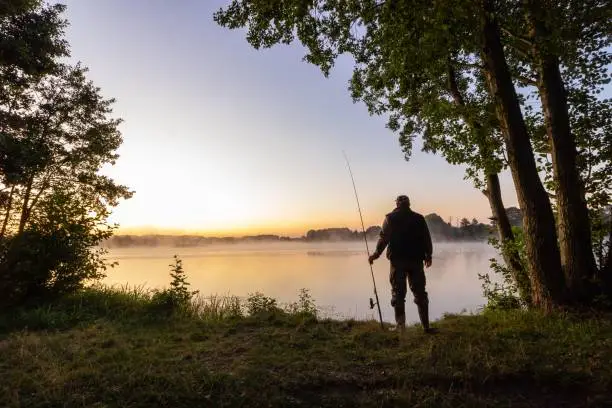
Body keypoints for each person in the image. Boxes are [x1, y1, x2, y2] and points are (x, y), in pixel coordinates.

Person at [368, 195, 435, 333]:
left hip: (398, 261)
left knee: (398, 294)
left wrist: (376, 254)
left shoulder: (390, 218)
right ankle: (426, 327)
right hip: (416, 260)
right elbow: (426, 238)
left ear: (397, 204)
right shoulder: (419, 218)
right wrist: (429, 255)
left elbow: (383, 239)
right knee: (420, 293)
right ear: (409, 204)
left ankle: (401, 327)